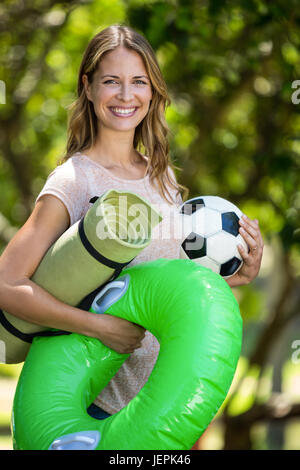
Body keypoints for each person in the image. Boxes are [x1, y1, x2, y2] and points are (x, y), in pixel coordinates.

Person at [0, 24, 263, 421]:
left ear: (153, 90)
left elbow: (158, 286)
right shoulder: (75, 180)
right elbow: (7, 284)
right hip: (94, 406)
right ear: (88, 87)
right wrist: (97, 327)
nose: (126, 96)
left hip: (159, 404)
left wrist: (233, 278)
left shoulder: (163, 177)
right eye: (112, 81)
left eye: (139, 81)